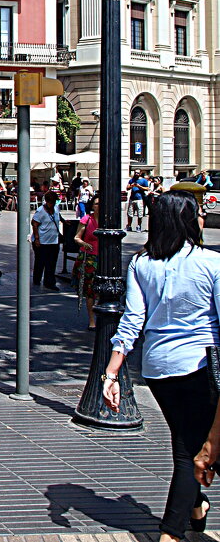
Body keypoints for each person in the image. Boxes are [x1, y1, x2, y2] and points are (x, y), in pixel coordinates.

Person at [103, 192, 218, 542]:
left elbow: (132, 320)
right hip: (200, 364)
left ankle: (195, 507)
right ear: (188, 220)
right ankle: (171, 533)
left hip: (157, 367)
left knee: (186, 436)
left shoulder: (141, 263)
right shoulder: (211, 262)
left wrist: (112, 372)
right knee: (190, 449)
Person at [74, 195, 100, 329]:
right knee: (90, 291)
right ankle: (91, 320)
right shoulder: (87, 219)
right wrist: (84, 244)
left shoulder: (108, 220)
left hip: (103, 258)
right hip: (89, 258)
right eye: (96, 204)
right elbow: (77, 237)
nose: (99, 206)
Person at [31, 191, 62, 291]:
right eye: (51, 202)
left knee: (51, 263)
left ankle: (49, 282)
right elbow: (34, 224)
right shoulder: (40, 211)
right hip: (42, 241)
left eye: (54, 202)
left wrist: (64, 221)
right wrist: (37, 239)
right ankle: (37, 279)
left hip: (54, 241)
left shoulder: (56, 208)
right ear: (47, 201)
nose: (52, 204)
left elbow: (58, 216)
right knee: (40, 262)